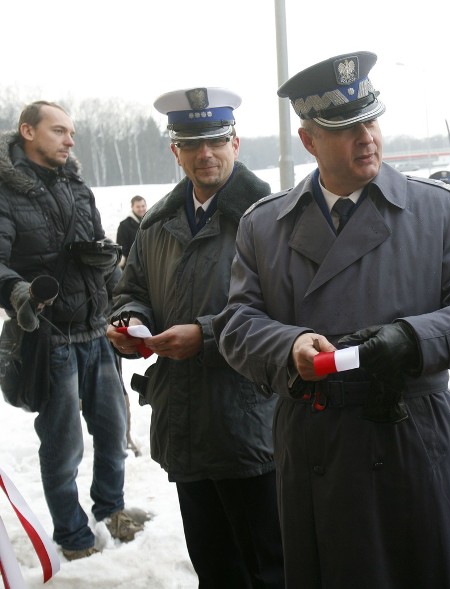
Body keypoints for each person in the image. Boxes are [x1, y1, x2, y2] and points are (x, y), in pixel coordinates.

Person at [212, 51, 450, 588]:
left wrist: (411, 338)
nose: (367, 137)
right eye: (346, 127)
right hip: (316, 443)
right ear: (308, 141)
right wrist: (290, 345)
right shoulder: (264, 226)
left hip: (409, 438)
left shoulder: (438, 210)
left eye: (371, 119)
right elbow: (236, 322)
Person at [107, 87, 283, 587]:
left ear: (235, 142)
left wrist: (205, 336)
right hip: (184, 420)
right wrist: (128, 321)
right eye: (191, 143)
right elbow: (132, 288)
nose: (204, 153)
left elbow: (285, 312)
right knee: (214, 565)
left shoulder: (269, 218)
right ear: (175, 151)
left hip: (248, 423)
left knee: (269, 566)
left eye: (215, 140)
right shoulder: (158, 222)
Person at [0, 101, 143, 561]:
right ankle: (73, 535)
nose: (69, 140)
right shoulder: (4, 192)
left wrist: (114, 282)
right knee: (63, 447)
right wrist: (19, 292)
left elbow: (101, 245)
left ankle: (112, 509)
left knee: (113, 430)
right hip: (49, 337)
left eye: (72, 132)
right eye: (59, 130)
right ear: (27, 131)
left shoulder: (78, 186)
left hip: (96, 331)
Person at [115, 195, 147, 268]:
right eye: (138, 207)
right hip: (132, 265)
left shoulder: (151, 223)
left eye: (143, 206)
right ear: (132, 207)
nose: (141, 209)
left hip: (149, 263)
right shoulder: (124, 225)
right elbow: (122, 249)